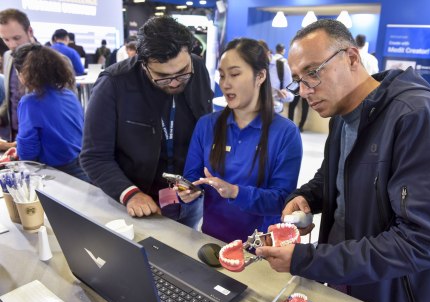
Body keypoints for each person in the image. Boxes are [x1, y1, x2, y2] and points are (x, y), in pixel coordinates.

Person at [255, 19, 430, 302]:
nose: (303, 91)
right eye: (298, 79)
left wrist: (310, 258)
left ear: (351, 57)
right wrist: (305, 196)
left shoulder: (418, 117)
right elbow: (335, 174)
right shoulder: (342, 116)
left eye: (312, 73)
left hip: (398, 292)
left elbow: (423, 241)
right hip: (348, 277)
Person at [80, 16, 213, 229]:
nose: (175, 82)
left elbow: (204, 132)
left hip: (189, 200)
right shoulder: (113, 84)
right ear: (143, 64)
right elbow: (94, 157)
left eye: (182, 72)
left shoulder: (198, 69)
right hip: (136, 204)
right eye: (162, 76)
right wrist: (130, 194)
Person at [178, 38, 302, 243]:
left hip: (261, 248)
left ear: (260, 75)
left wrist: (235, 192)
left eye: (235, 74)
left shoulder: (286, 133)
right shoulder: (206, 125)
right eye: (222, 75)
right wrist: (189, 189)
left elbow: (281, 199)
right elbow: (192, 175)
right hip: (212, 240)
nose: (225, 84)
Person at [11, 43, 88, 181]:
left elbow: (28, 150)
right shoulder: (69, 95)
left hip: (57, 174)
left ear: (23, 74)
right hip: (82, 165)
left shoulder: (30, 103)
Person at [0, 8, 35, 143]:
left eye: (16, 38)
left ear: (30, 31)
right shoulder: (8, 56)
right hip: (13, 136)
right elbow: (10, 98)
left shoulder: (53, 60)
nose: (12, 45)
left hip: (40, 141)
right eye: (5, 39)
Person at [259, 40, 294, 114]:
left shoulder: (282, 66)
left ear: (268, 53)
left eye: (262, 58)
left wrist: (284, 94)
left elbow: (291, 95)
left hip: (274, 113)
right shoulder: (254, 66)